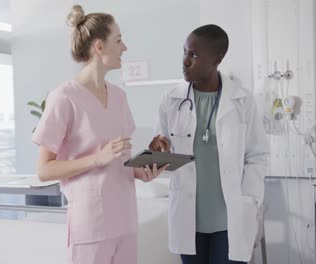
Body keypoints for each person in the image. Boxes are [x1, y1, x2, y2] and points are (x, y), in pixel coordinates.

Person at [32, 5, 168, 264]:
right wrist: (96, 159)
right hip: (91, 226)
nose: (124, 47)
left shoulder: (119, 97)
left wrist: (140, 172)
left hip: (126, 221)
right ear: (99, 46)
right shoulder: (63, 98)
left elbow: (118, 161)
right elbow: (44, 170)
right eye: (118, 40)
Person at [149, 24, 268, 264]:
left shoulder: (242, 100)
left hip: (229, 219)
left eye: (193, 55)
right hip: (189, 219)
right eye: (184, 52)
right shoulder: (170, 99)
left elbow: (257, 155)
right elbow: (162, 152)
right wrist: (158, 150)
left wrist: (249, 197)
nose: (185, 61)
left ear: (217, 58)